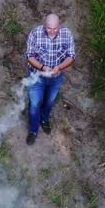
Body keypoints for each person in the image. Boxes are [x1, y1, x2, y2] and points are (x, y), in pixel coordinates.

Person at [24, 13, 75, 145]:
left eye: (55, 28)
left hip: (56, 77)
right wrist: (42, 67)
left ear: (60, 25)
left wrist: (59, 67)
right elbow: (29, 56)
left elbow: (71, 56)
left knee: (49, 101)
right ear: (44, 24)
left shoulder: (66, 34)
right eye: (49, 28)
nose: (52, 31)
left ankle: (44, 120)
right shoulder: (35, 33)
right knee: (35, 104)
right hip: (36, 76)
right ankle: (33, 130)